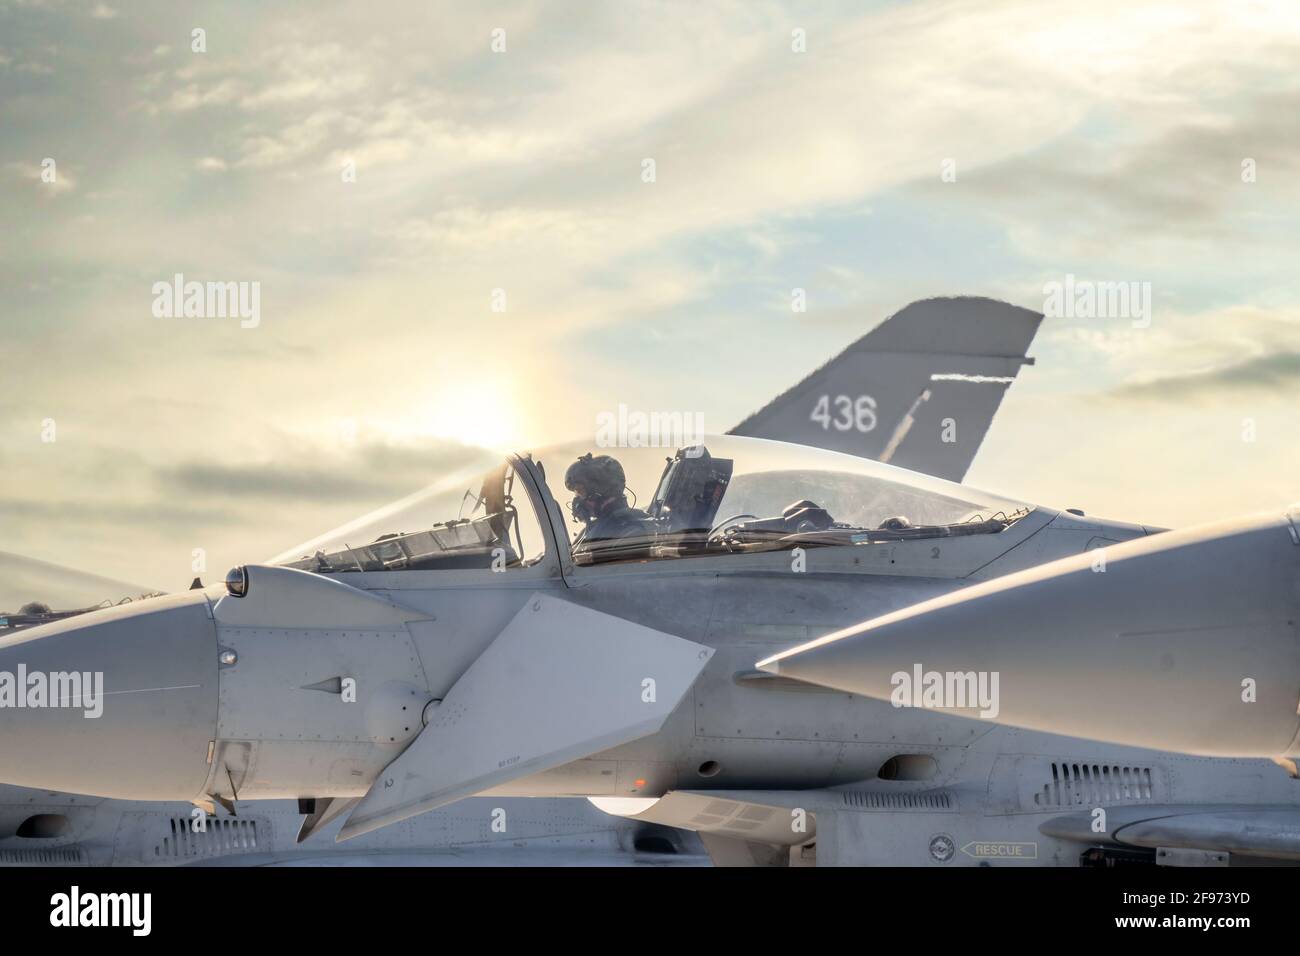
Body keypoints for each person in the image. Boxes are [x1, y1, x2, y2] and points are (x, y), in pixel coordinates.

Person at [564, 453, 652, 551]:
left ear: (601, 491)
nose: (578, 501)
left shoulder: (629, 531)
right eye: (576, 493)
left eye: (580, 491)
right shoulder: (594, 529)